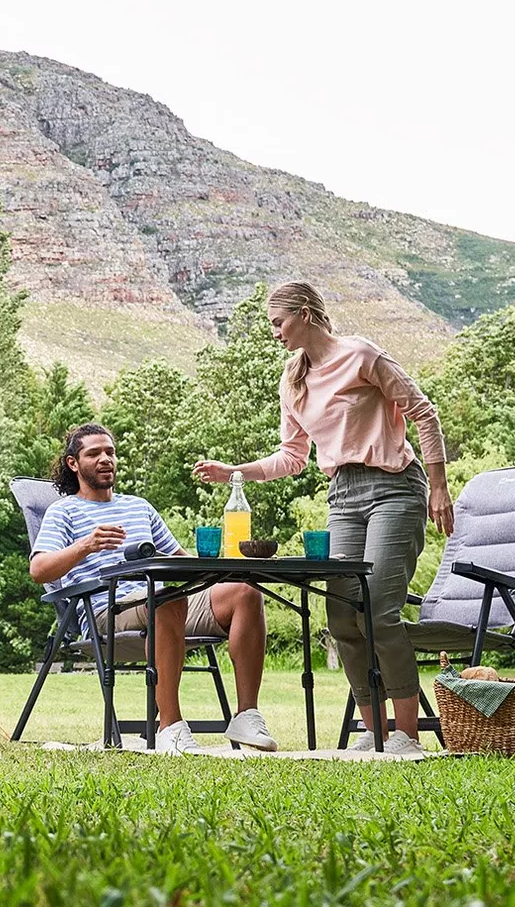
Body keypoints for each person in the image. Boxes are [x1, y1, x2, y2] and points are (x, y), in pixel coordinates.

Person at [193, 281, 452, 757]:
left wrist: (438, 484)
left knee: (378, 611)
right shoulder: (292, 380)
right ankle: (374, 731)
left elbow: (424, 413)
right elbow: (292, 457)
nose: (274, 333)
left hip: (395, 487)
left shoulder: (362, 355)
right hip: (343, 497)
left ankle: (407, 736)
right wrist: (234, 472)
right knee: (341, 617)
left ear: (306, 314)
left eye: (279, 322)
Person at [32, 423, 275, 754]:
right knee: (167, 599)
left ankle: (246, 715)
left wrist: (229, 565)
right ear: (73, 463)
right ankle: (170, 728)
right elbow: (39, 570)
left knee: (245, 592)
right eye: (94, 453)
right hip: (107, 611)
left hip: (163, 606)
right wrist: (86, 545)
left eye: (110, 452)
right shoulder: (63, 511)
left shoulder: (139, 507)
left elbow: (181, 560)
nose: (105, 459)